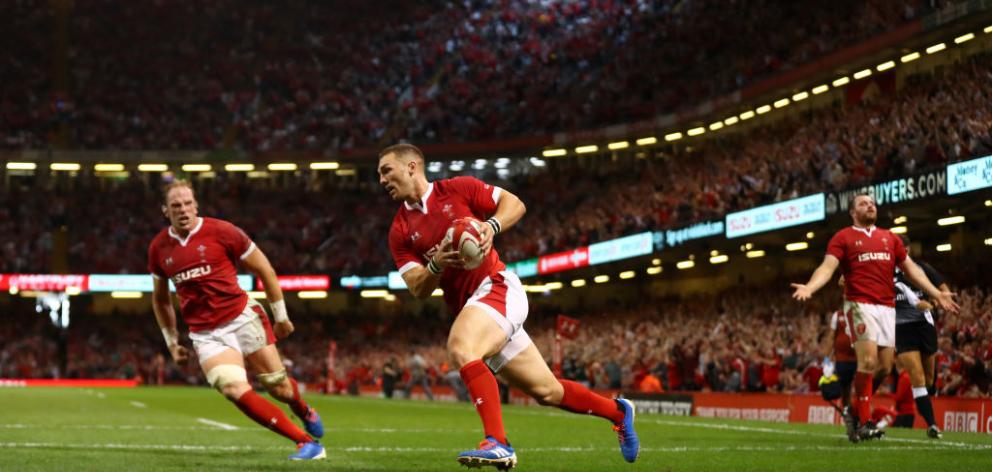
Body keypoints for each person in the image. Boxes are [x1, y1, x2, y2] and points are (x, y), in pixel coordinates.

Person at [379, 144, 638, 469]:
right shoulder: (399, 230)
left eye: (386, 170)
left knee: (461, 348)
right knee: (548, 391)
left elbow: (514, 204)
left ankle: (498, 442)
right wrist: (435, 266)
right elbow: (417, 286)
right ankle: (619, 412)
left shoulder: (458, 188)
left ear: (412, 166)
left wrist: (491, 226)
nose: (381, 179)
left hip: (497, 287)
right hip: (473, 309)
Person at [148, 180, 326, 460]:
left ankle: (302, 408)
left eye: (187, 203)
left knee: (278, 387)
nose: (183, 209)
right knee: (232, 388)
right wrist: (172, 342)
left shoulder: (223, 231)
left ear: (196, 205)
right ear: (165, 211)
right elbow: (160, 300)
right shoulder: (159, 248)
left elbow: (264, 268)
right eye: (175, 205)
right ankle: (306, 443)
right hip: (205, 333)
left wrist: (281, 316)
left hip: (242, 317)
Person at [791, 193, 958, 443]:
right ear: (852, 212)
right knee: (868, 361)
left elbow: (911, 269)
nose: (870, 205)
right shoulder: (843, 237)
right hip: (859, 304)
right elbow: (827, 267)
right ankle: (866, 423)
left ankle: (854, 413)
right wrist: (810, 287)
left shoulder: (889, 238)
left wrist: (936, 293)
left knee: (884, 367)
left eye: (872, 203)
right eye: (863, 203)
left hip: (887, 308)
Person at [893, 234, 947, 438]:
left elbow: (942, 287)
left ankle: (928, 402)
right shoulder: (886, 272)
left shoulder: (921, 268)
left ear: (908, 249)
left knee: (929, 378)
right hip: (902, 329)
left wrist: (941, 300)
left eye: (902, 249)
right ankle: (932, 424)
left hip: (925, 325)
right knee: (916, 377)